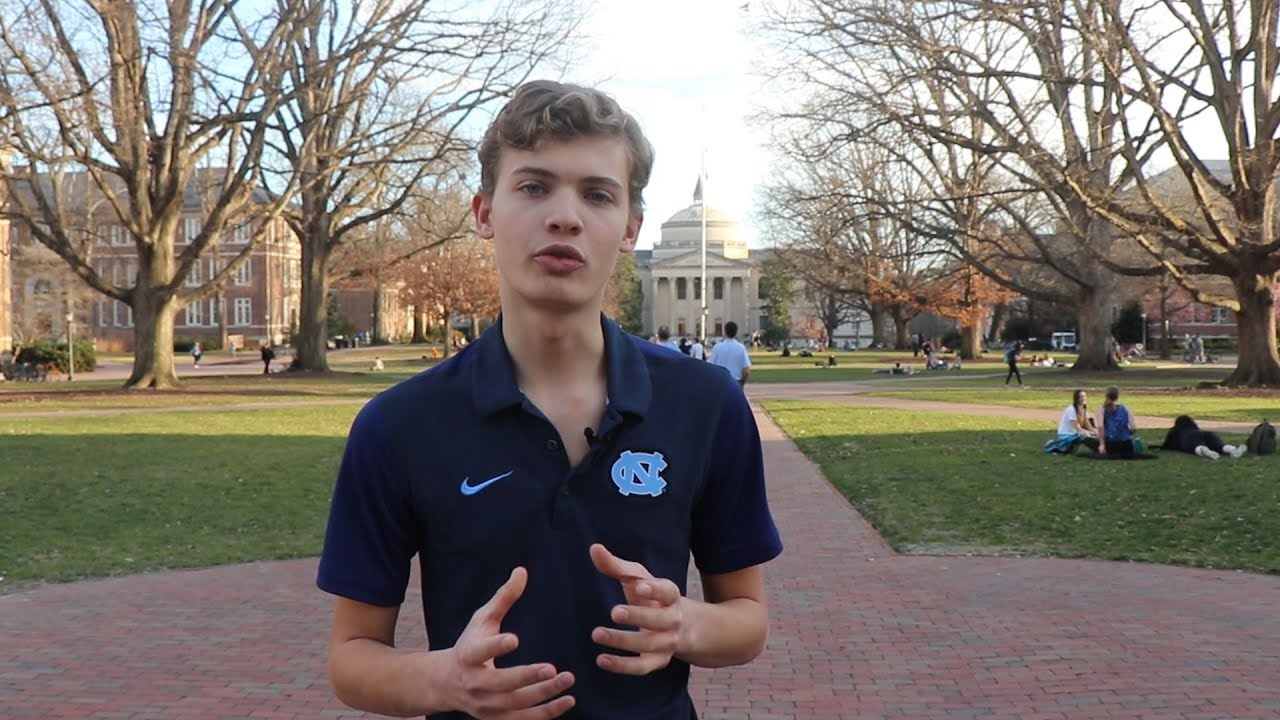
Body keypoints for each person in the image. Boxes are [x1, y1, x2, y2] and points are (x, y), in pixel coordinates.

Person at [316, 80, 783, 720]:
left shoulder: (707, 405)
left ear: (630, 228)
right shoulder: (398, 425)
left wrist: (684, 626)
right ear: (484, 212)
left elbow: (747, 621)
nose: (565, 216)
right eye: (534, 187)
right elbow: (352, 658)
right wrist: (444, 680)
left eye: (597, 194)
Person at [1160, 415, 1245, 459]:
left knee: (1196, 446)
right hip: (1205, 433)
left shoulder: (1176, 430)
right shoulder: (1195, 428)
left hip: (1190, 437)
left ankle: (1205, 451)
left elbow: (1168, 444)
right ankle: (1233, 450)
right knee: (1219, 445)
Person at [1046, 389, 1100, 454]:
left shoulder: (1083, 408)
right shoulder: (1071, 410)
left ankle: (1099, 448)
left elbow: (1088, 424)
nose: (1083, 398)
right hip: (1067, 434)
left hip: (1075, 433)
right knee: (1084, 436)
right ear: (1076, 398)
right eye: (1081, 397)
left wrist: (1096, 432)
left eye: (1084, 396)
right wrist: (1090, 433)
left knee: (1093, 433)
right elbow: (1077, 428)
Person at [708, 320, 752, 388]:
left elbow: (711, 367)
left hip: (721, 382)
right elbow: (746, 370)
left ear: (725, 332)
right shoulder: (741, 348)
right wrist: (742, 382)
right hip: (736, 382)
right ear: (736, 332)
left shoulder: (717, 347)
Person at [1099, 386, 1137, 456]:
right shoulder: (1126, 408)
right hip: (1126, 445)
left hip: (1111, 444)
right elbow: (1133, 428)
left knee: (1088, 439)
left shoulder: (1102, 409)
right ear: (1118, 396)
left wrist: (1102, 445)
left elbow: (1100, 427)